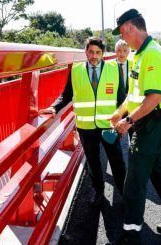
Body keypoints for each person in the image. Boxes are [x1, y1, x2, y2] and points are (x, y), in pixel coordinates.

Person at [109, 9, 161, 243]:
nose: (122, 39)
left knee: (134, 179)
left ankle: (131, 233)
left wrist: (128, 121)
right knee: (157, 170)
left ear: (129, 29)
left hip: (152, 121)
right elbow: (134, 94)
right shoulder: (138, 55)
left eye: (122, 34)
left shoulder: (152, 54)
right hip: (148, 121)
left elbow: (153, 98)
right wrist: (120, 111)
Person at [39, 37, 126, 205]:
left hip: (108, 125)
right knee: (93, 163)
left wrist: (122, 123)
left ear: (103, 53)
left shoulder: (114, 70)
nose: (94, 56)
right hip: (86, 127)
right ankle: (98, 192)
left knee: (117, 161)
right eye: (91, 52)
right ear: (86, 51)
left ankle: (124, 193)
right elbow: (66, 94)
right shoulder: (76, 70)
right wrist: (54, 108)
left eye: (98, 52)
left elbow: (122, 99)